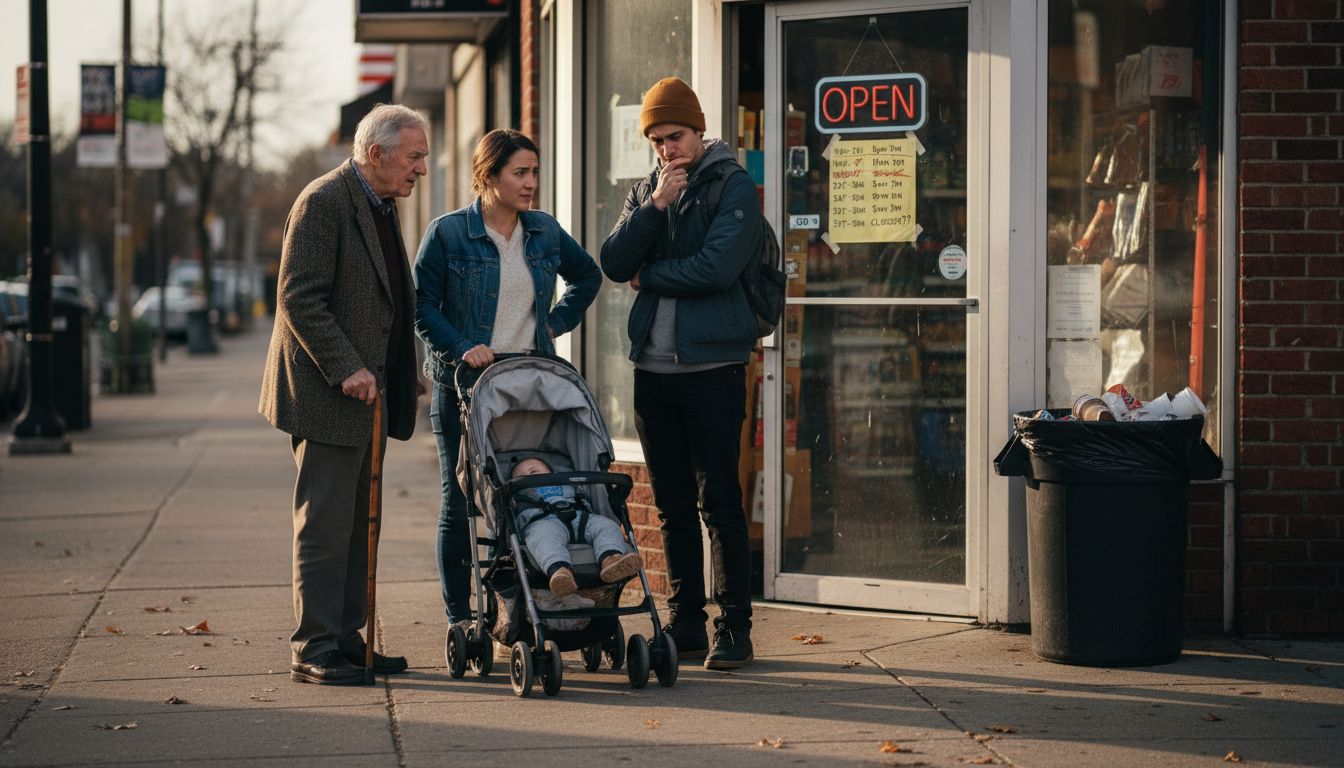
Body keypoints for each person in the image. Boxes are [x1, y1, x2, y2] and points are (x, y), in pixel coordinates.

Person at [259, 104, 428, 685]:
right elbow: (298, 297)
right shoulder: (324, 201)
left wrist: (404, 369)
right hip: (328, 394)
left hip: (369, 396)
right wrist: (347, 367)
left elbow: (383, 299)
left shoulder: (381, 204)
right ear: (376, 153)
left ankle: (346, 637)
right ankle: (313, 646)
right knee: (326, 525)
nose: (422, 169)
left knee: (361, 522)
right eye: (415, 156)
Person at [599, 77, 762, 670]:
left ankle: (735, 627)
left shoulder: (733, 185)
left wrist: (654, 275)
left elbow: (718, 268)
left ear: (698, 130)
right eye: (659, 140)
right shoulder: (648, 192)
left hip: (713, 367)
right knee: (670, 502)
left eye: (677, 136)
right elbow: (614, 262)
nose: (668, 149)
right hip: (654, 371)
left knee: (719, 498)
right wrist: (655, 208)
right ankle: (686, 620)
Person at [413, 129, 602, 639]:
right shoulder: (450, 234)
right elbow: (421, 304)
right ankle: (461, 617)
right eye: (520, 172)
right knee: (461, 503)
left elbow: (587, 277)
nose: (531, 183)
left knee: (517, 495)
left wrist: (553, 325)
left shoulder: (542, 231)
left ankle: (514, 607)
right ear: (488, 176)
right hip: (464, 388)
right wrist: (459, 345)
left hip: (524, 388)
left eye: (535, 172)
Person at [510, 456, 644, 595]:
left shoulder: (569, 483)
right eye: (521, 477)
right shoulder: (518, 496)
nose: (529, 477)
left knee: (606, 525)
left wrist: (615, 532)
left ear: (551, 473)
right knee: (542, 536)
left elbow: (586, 499)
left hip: (580, 517)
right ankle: (560, 572)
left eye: (533, 472)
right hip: (543, 521)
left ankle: (611, 560)